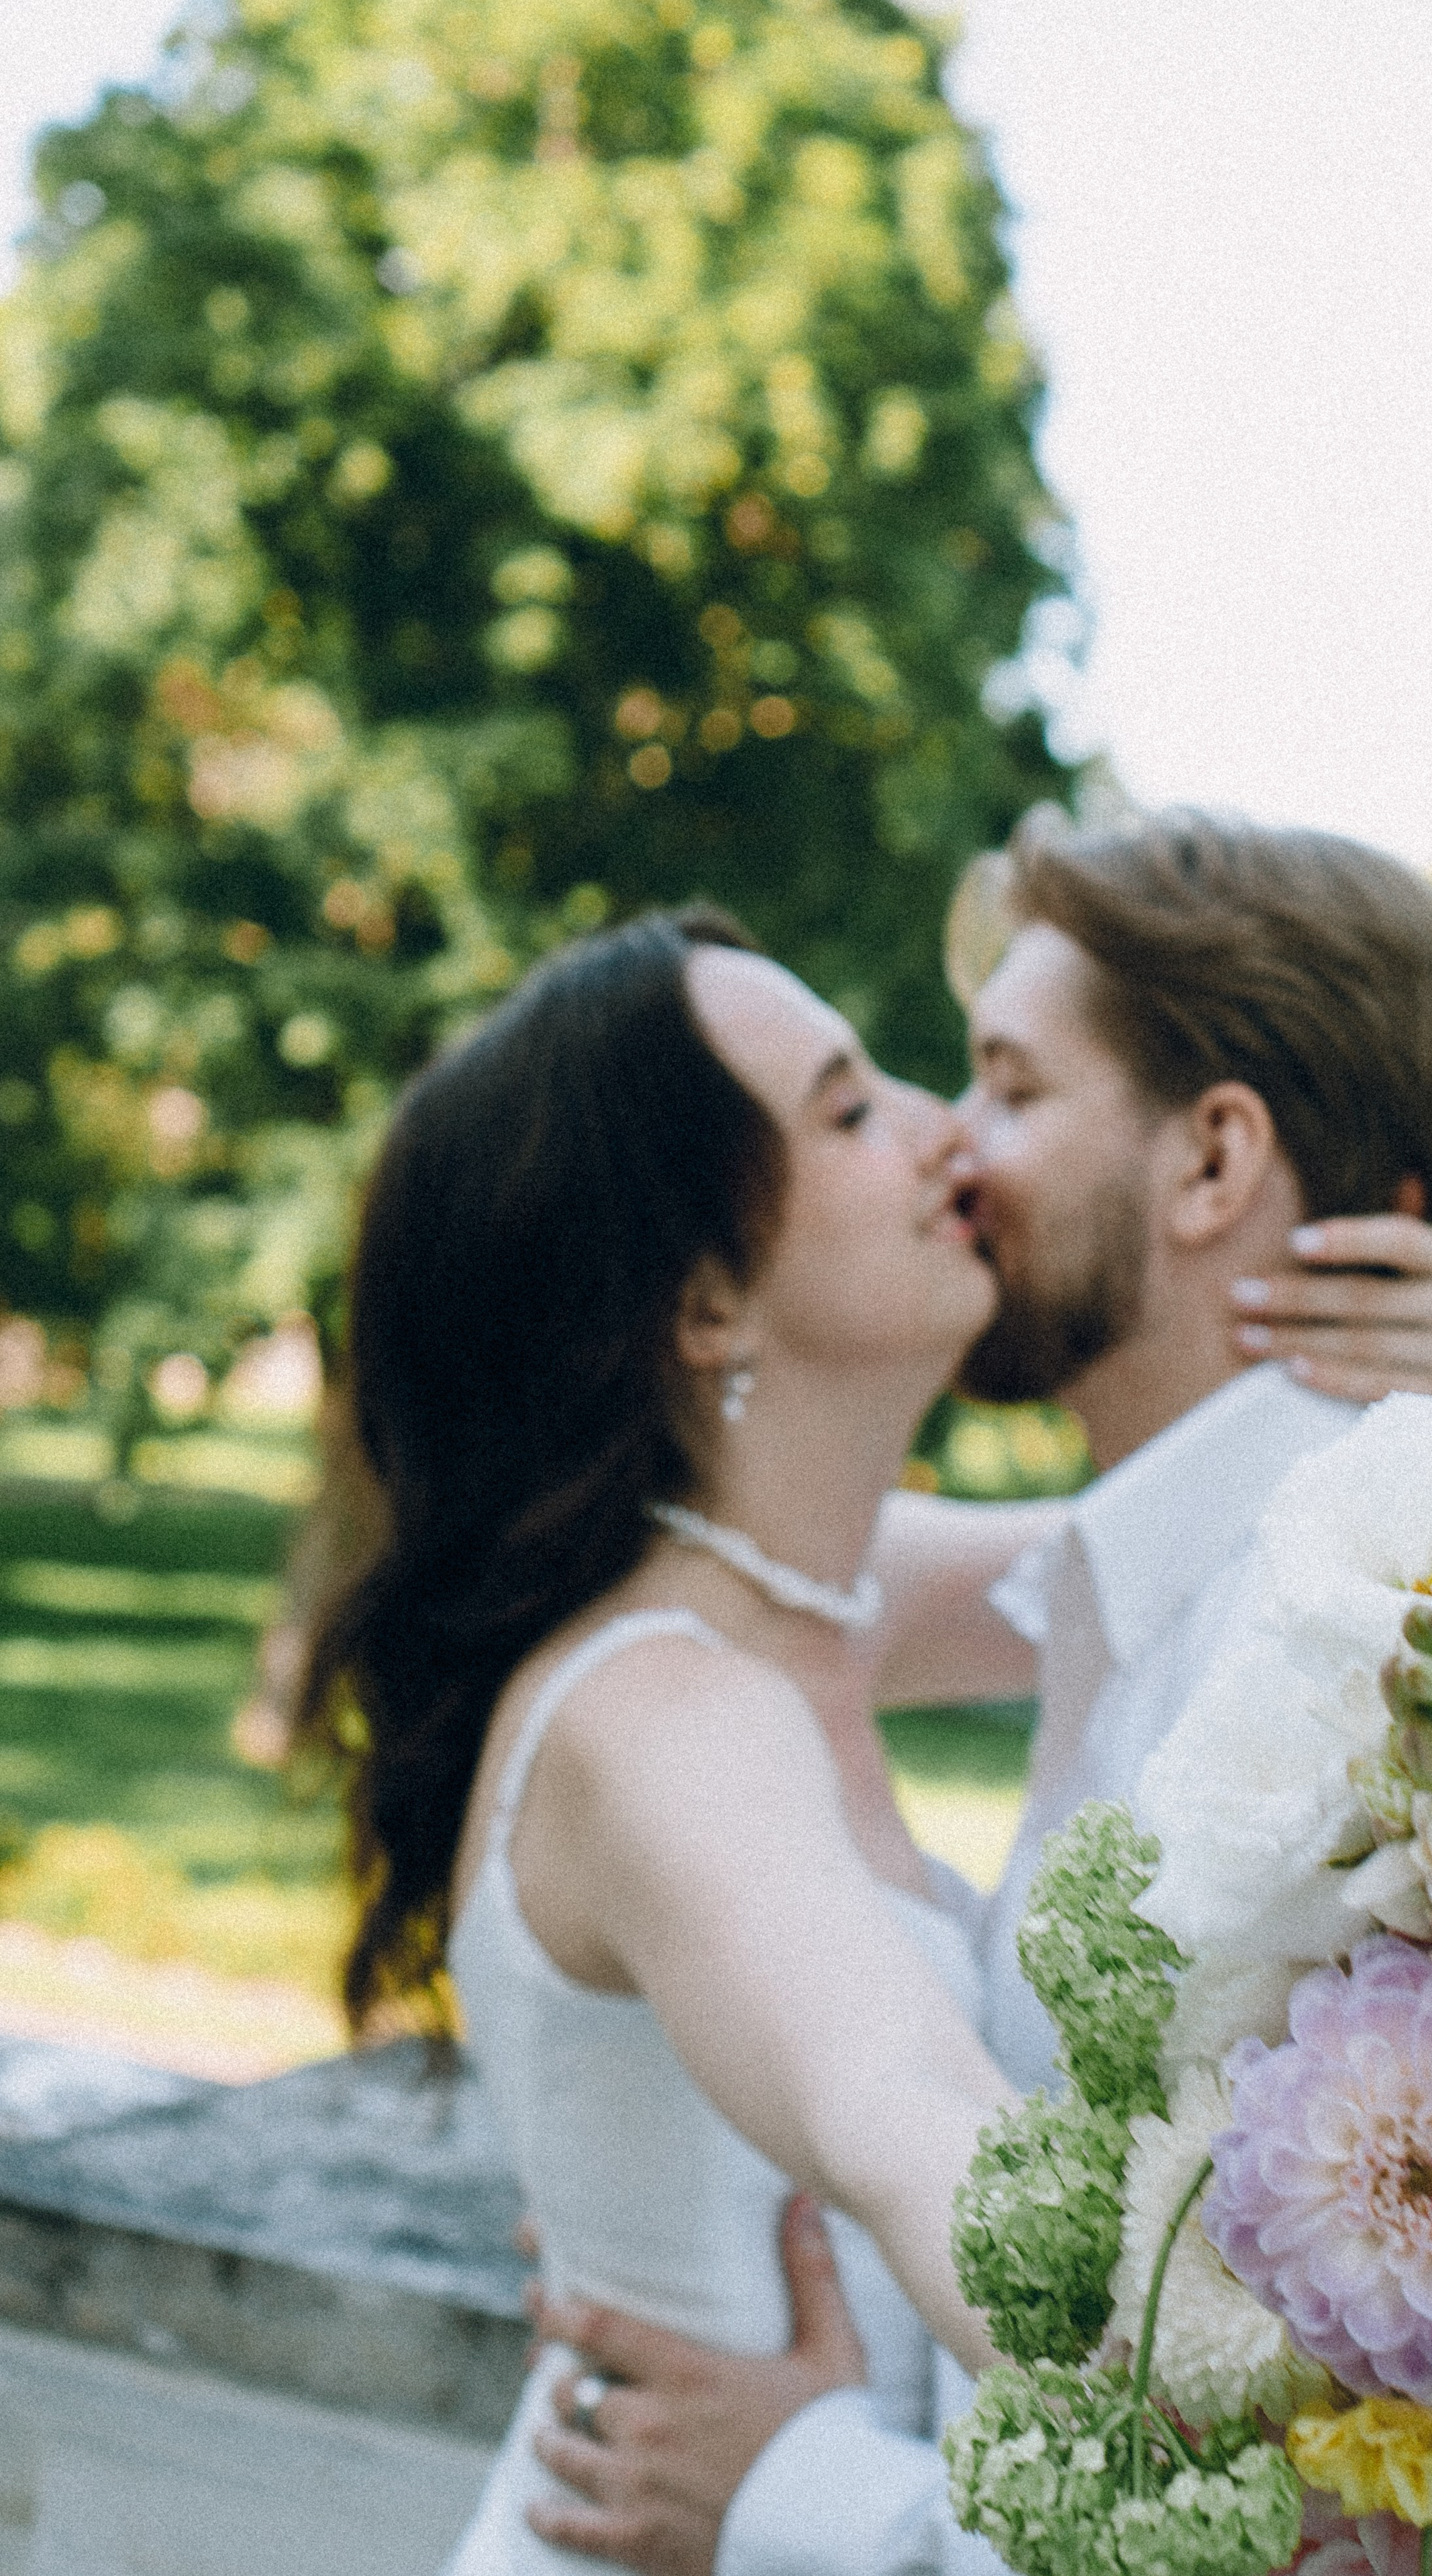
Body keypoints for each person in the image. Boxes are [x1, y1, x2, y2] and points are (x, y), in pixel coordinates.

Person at [523, 808, 1432, 2576]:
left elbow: (1362, 2505)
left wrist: (793, 2496)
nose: (950, 1146)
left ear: (1214, 1167)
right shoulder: (1105, 1587)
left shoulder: (1363, 1686)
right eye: (868, 1104)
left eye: (1009, 1087)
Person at [298, 905, 1035, 2575]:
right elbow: (897, 2096)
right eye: (850, 1110)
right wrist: (1201, 2393)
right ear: (705, 1303)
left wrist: (1409, 1378)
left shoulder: (816, 1605)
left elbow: (1190, 1555)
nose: (944, 1127)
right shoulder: (661, 1716)